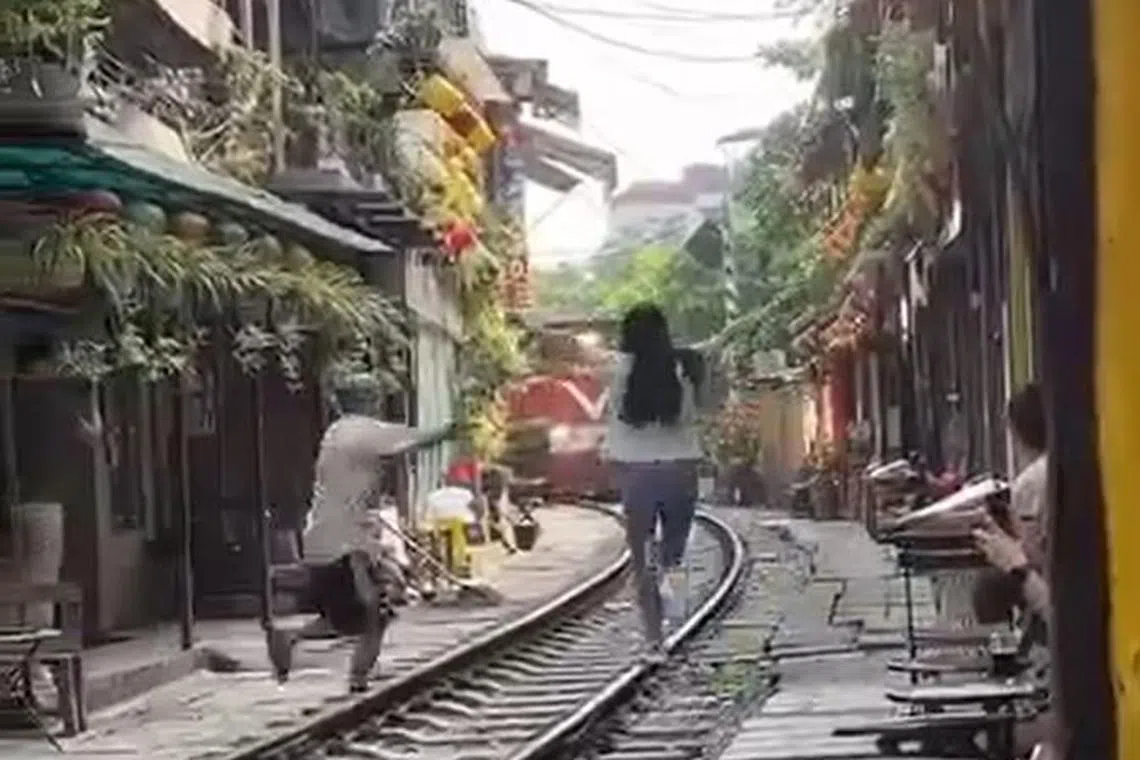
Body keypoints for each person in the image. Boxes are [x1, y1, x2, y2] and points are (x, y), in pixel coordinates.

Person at [266, 416, 411, 693]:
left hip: (322, 556)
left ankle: (291, 637)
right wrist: (364, 579)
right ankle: (358, 678)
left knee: (341, 620)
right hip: (344, 559)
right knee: (374, 617)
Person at [601, 303, 705, 655]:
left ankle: (652, 634)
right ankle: (675, 611)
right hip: (681, 469)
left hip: (636, 472)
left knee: (641, 556)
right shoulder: (685, 366)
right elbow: (692, 414)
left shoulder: (615, 369)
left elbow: (611, 415)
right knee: (672, 555)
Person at [971, 382, 1053, 756]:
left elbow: (1068, 624)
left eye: (1030, 520)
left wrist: (1018, 566)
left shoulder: (1036, 481)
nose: (1026, 528)